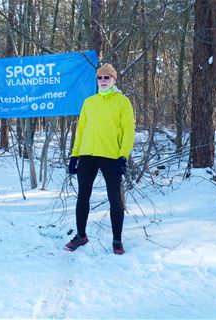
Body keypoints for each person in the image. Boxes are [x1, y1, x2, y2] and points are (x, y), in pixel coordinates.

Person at [65, 63, 135, 255]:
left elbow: (128, 131)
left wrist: (123, 156)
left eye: (107, 77)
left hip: (111, 157)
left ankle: (117, 240)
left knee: (114, 199)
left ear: (114, 79)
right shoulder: (89, 102)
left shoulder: (122, 102)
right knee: (83, 197)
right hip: (87, 155)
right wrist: (74, 155)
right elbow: (81, 132)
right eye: (100, 78)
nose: (103, 81)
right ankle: (81, 236)